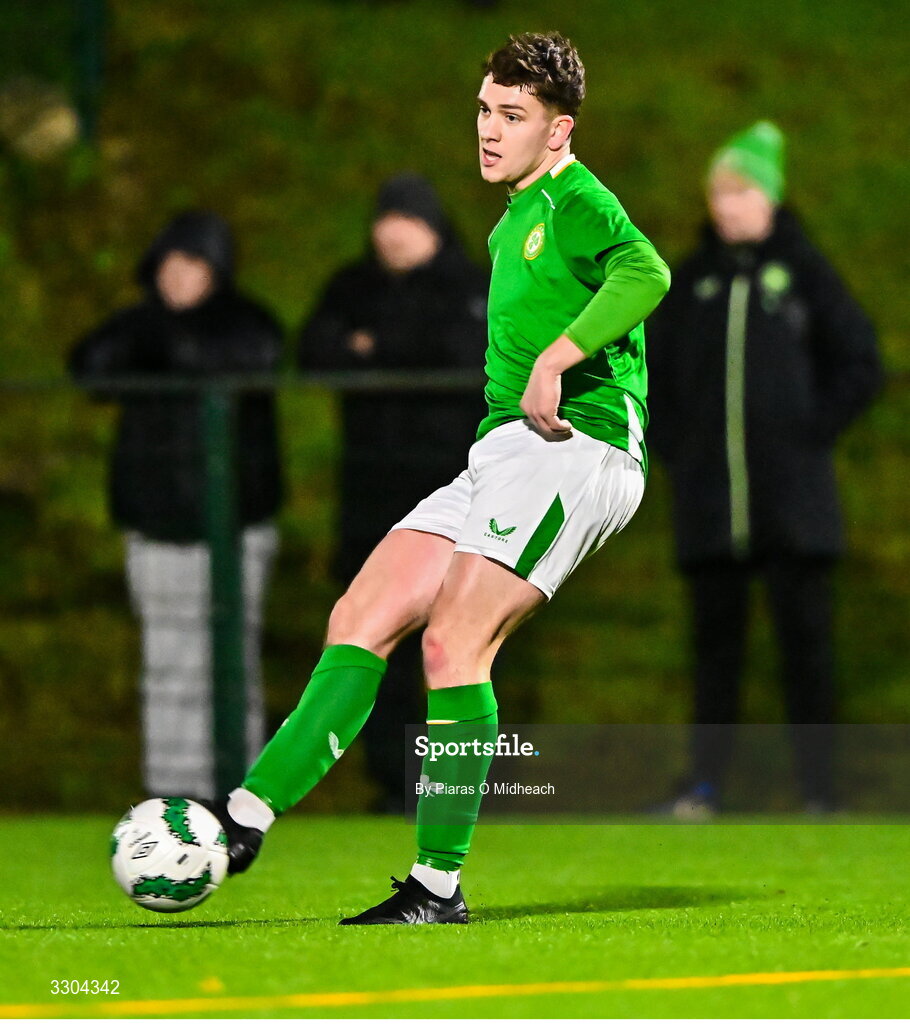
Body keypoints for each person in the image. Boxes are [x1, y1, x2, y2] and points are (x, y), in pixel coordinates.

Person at [201, 31, 670, 924]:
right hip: (503, 452)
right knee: (363, 613)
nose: (490, 131)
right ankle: (242, 820)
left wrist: (560, 357)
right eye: (485, 111)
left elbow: (646, 269)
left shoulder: (577, 200)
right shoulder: (508, 220)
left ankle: (436, 887)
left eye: (514, 116)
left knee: (454, 644)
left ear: (559, 131)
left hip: (580, 446)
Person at [647, 122, 882, 817]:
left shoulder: (806, 272)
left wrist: (810, 434)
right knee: (714, 652)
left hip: (794, 507)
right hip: (711, 505)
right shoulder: (691, 280)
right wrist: (679, 449)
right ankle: (705, 786)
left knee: (806, 650)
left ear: (771, 198)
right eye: (719, 192)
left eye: (742, 190)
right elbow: (646, 376)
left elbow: (859, 362)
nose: (728, 205)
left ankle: (818, 791)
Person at [69, 210, 284, 800]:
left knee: (230, 660)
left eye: (195, 263)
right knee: (166, 662)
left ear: (217, 272)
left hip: (233, 526)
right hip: (156, 523)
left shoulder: (248, 324)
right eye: (171, 262)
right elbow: (88, 366)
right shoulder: (139, 327)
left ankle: (240, 792)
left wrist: (163, 340)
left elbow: (241, 359)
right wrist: (152, 330)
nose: (180, 276)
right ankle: (170, 790)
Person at [297, 172, 488, 813]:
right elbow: (314, 349)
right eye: (385, 220)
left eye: (406, 220)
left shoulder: (470, 287)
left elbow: (468, 357)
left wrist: (375, 347)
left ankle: (460, 781)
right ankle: (391, 781)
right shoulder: (351, 286)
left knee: (457, 638)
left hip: (454, 493)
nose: (392, 233)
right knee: (372, 632)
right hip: (371, 495)